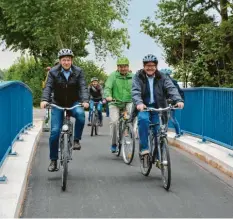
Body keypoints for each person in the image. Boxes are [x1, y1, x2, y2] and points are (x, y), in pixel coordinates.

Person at [40, 48, 89, 172]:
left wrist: (85, 101)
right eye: (64, 60)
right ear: (60, 61)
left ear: (72, 60)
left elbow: (83, 87)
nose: (66, 62)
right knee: (55, 132)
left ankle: (76, 140)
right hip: (57, 104)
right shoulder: (53, 72)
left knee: (81, 115)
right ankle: (53, 160)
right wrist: (45, 99)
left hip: (74, 102)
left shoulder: (78, 71)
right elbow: (48, 87)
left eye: (68, 60)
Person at [132, 54, 184, 156]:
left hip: (158, 107)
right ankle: (144, 148)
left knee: (158, 131)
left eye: (152, 65)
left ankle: (157, 157)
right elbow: (135, 91)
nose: (150, 68)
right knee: (143, 120)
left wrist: (178, 100)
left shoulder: (162, 77)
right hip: (144, 107)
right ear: (144, 66)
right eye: (147, 65)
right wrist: (139, 103)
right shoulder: (138, 77)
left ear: (156, 66)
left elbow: (171, 88)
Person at [104, 57, 134, 153]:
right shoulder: (113, 76)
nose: (123, 68)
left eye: (125, 66)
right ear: (117, 67)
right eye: (121, 67)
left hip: (128, 101)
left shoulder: (133, 77)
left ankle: (128, 132)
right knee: (114, 122)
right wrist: (108, 96)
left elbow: (138, 88)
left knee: (132, 116)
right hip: (115, 102)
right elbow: (107, 87)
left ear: (128, 67)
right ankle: (114, 143)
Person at [160, 68, 184, 138]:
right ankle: (164, 131)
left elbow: (178, 93)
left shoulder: (173, 82)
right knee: (162, 117)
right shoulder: (160, 82)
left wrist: (179, 101)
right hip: (163, 102)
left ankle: (178, 132)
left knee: (172, 118)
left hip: (171, 102)